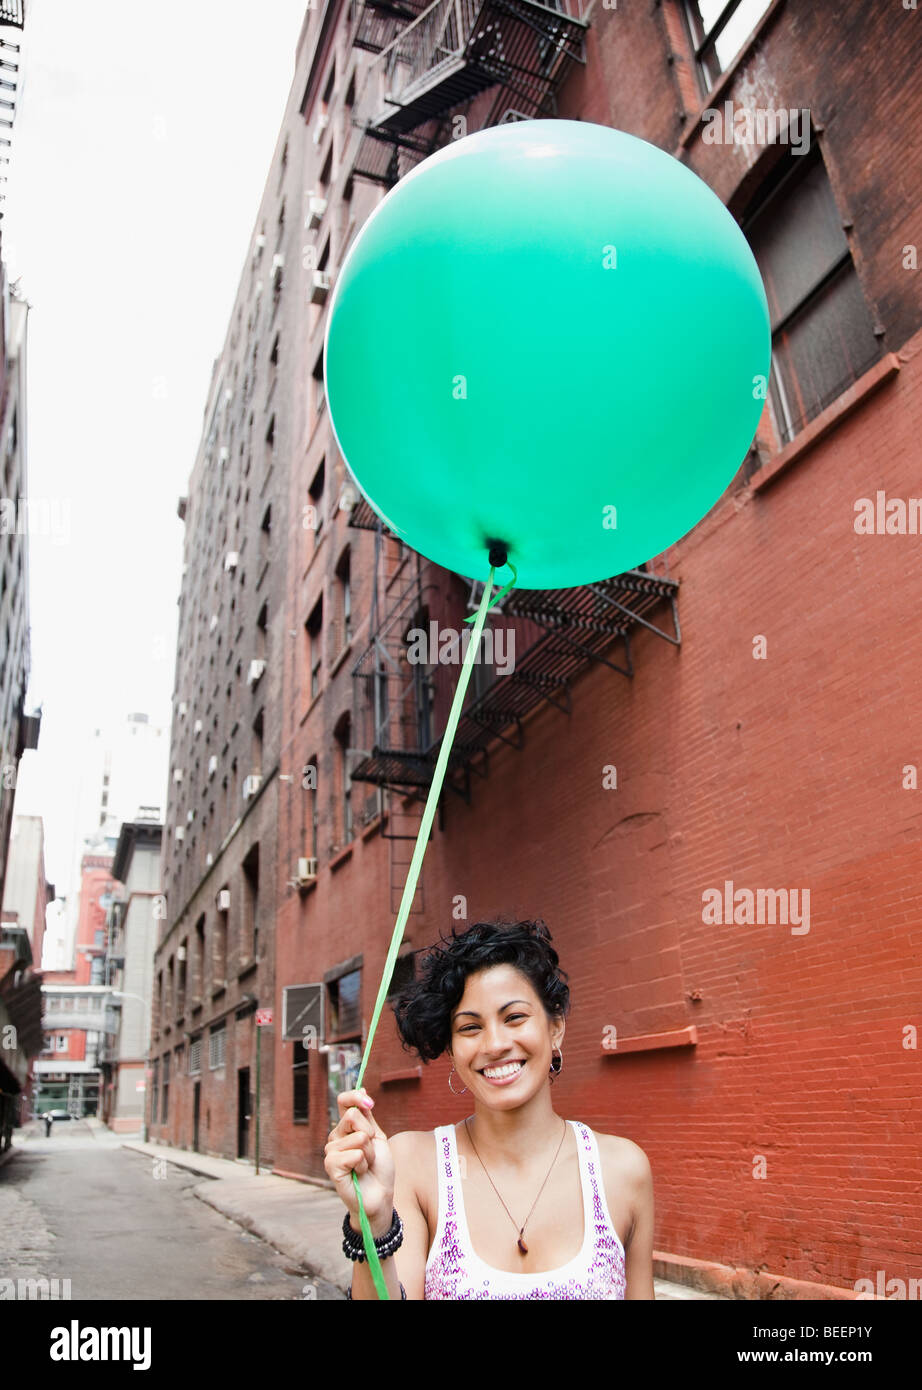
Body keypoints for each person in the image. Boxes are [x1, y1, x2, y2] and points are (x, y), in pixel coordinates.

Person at [324, 918, 655, 1300]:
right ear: (450, 1048)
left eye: (514, 1017)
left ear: (556, 1027)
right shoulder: (412, 1164)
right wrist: (374, 1222)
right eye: (469, 1028)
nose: (494, 1044)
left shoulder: (624, 1169)